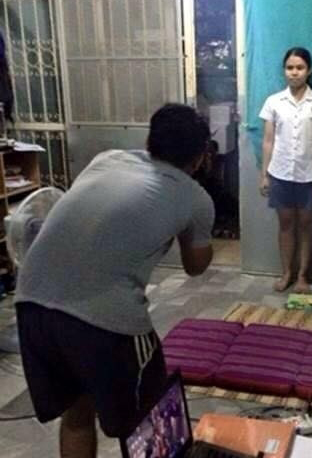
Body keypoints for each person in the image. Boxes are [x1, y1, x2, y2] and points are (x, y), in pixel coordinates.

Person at [15, 103, 215, 458]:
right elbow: (195, 266)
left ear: (149, 140)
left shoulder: (107, 159)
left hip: (31, 304)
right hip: (103, 320)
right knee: (153, 418)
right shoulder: (195, 198)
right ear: (200, 157)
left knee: (77, 413)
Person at [259, 47, 312, 294]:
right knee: (285, 224)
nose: (294, 72)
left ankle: (303, 275)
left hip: (309, 174)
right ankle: (287, 273)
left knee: (306, 224)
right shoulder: (274, 101)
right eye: (290, 68)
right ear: (284, 71)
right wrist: (264, 175)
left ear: (309, 70)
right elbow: (268, 140)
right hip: (280, 172)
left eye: (300, 68)